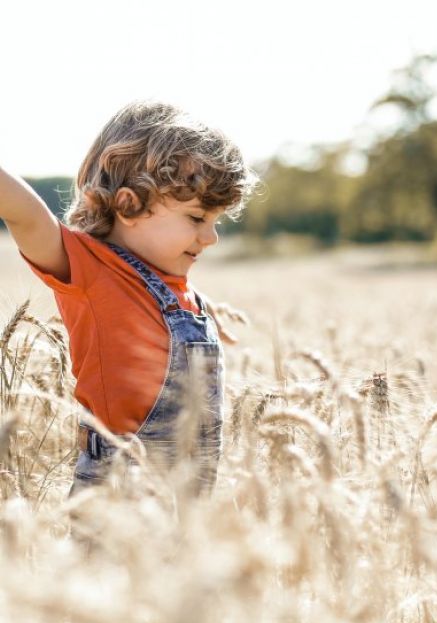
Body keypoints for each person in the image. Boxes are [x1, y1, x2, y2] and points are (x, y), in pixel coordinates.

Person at [0, 101, 259, 497]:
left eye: (216, 221)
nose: (211, 238)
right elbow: (27, 216)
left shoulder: (178, 290)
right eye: (196, 218)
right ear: (128, 204)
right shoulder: (91, 270)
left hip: (187, 497)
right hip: (118, 493)